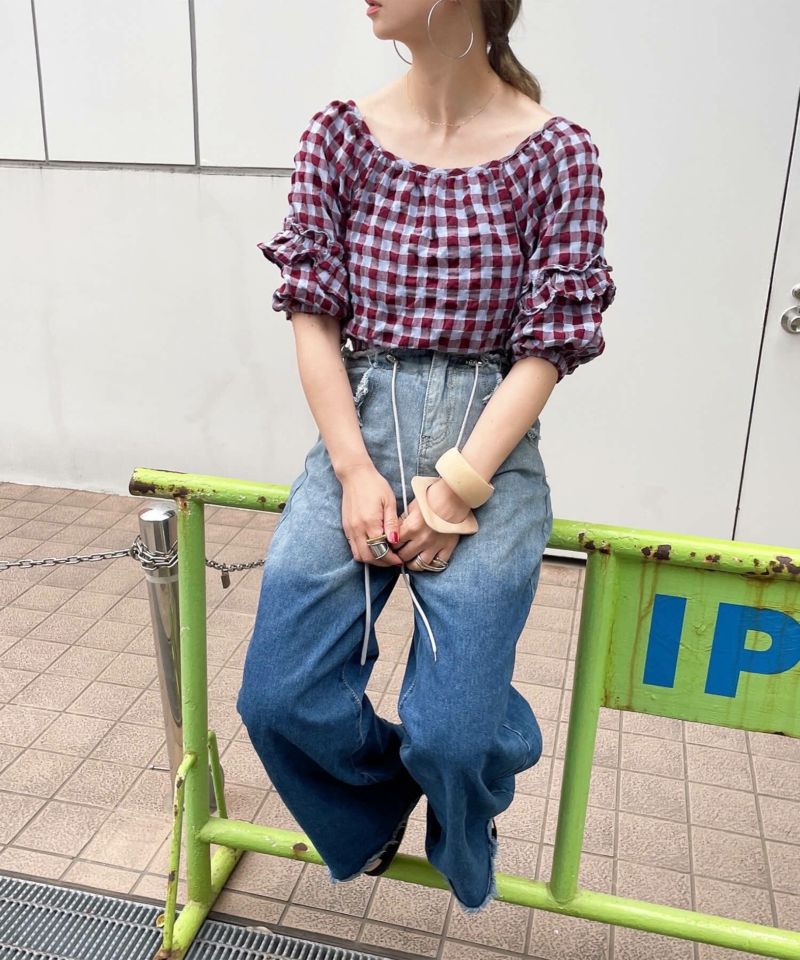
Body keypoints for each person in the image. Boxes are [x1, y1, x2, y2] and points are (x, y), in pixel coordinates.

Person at [236, 0, 616, 914]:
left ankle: (464, 788)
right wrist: (353, 469)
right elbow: (312, 316)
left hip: (489, 440)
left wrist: (455, 491)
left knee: (452, 732)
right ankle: (373, 807)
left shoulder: (559, 154)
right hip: (358, 425)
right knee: (278, 697)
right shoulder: (339, 138)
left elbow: (548, 347)